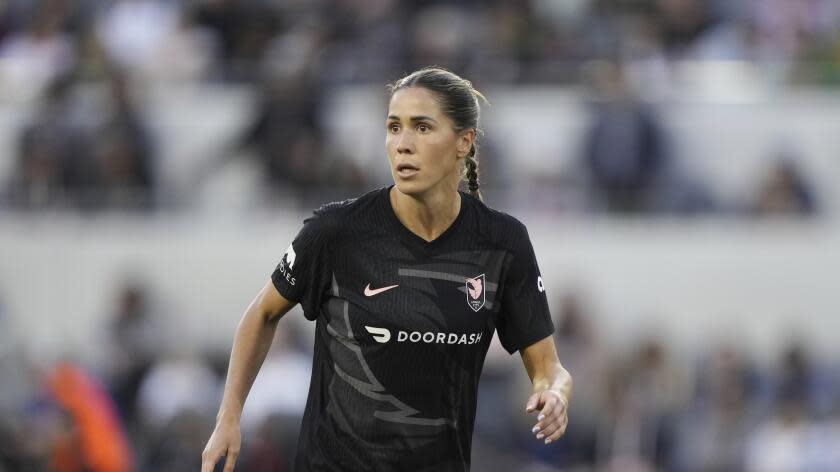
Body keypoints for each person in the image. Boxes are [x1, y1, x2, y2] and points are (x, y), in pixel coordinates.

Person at [201, 67, 573, 471]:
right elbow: (262, 314)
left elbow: (549, 369)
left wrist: (555, 394)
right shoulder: (337, 232)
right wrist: (229, 416)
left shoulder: (502, 244)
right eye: (394, 127)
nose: (403, 144)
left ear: (463, 142)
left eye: (422, 127)